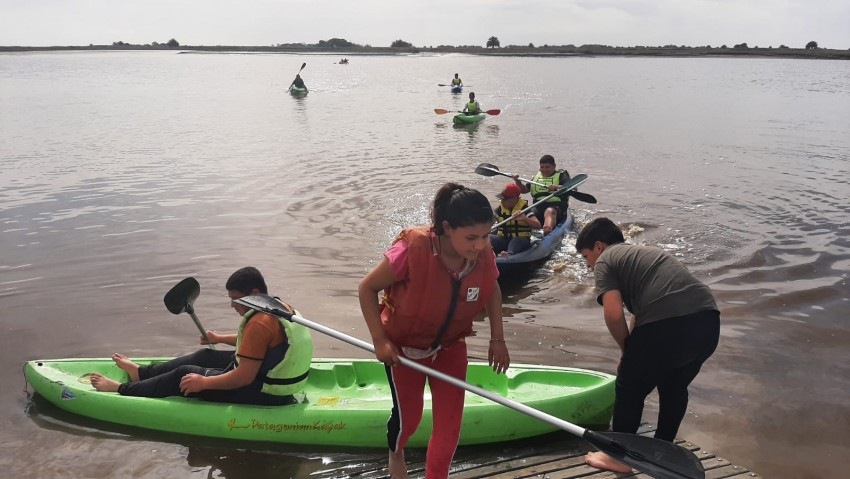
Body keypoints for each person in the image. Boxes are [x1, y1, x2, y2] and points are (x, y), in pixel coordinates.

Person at [358, 183, 510, 479]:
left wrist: (498, 339)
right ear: (447, 228)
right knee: (409, 420)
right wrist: (379, 340)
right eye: (471, 238)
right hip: (404, 350)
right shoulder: (412, 249)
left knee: (450, 426)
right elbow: (367, 288)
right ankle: (396, 453)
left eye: (485, 236)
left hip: (451, 346)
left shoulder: (482, 253)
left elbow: (491, 288)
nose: (479, 245)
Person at [575, 218, 721, 474]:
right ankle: (663, 450)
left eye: (586, 256)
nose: (588, 265)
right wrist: (629, 354)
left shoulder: (606, 259)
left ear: (599, 246)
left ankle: (619, 457)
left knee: (629, 388)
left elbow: (613, 314)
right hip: (708, 321)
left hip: (668, 323)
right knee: (674, 386)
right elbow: (641, 315)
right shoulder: (644, 255)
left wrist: (627, 354)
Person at [90, 267, 314, 406]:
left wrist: (204, 382)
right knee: (205, 355)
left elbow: (243, 378)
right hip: (272, 381)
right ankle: (140, 373)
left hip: (264, 393)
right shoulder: (279, 307)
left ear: (254, 293)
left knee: (185, 374)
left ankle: (120, 389)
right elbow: (261, 344)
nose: (232, 305)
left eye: (236, 299)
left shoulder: (259, 322)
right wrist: (219, 338)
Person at [513, 154, 569, 235]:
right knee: (525, 214)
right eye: (542, 167)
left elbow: (573, 188)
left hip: (556, 206)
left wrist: (557, 187)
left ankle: (547, 230)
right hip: (538, 206)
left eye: (547, 167)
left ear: (554, 166)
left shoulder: (562, 176)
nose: (544, 170)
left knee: (549, 211)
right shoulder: (537, 177)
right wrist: (518, 181)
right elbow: (524, 190)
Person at [489, 183, 541, 257]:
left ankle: (508, 254)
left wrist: (525, 219)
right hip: (503, 240)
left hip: (520, 240)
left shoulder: (524, 209)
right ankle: (486, 253)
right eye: (501, 198)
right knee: (489, 237)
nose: (502, 201)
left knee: (516, 240)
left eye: (505, 199)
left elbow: (538, 225)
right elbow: (489, 224)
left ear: (514, 199)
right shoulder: (499, 209)